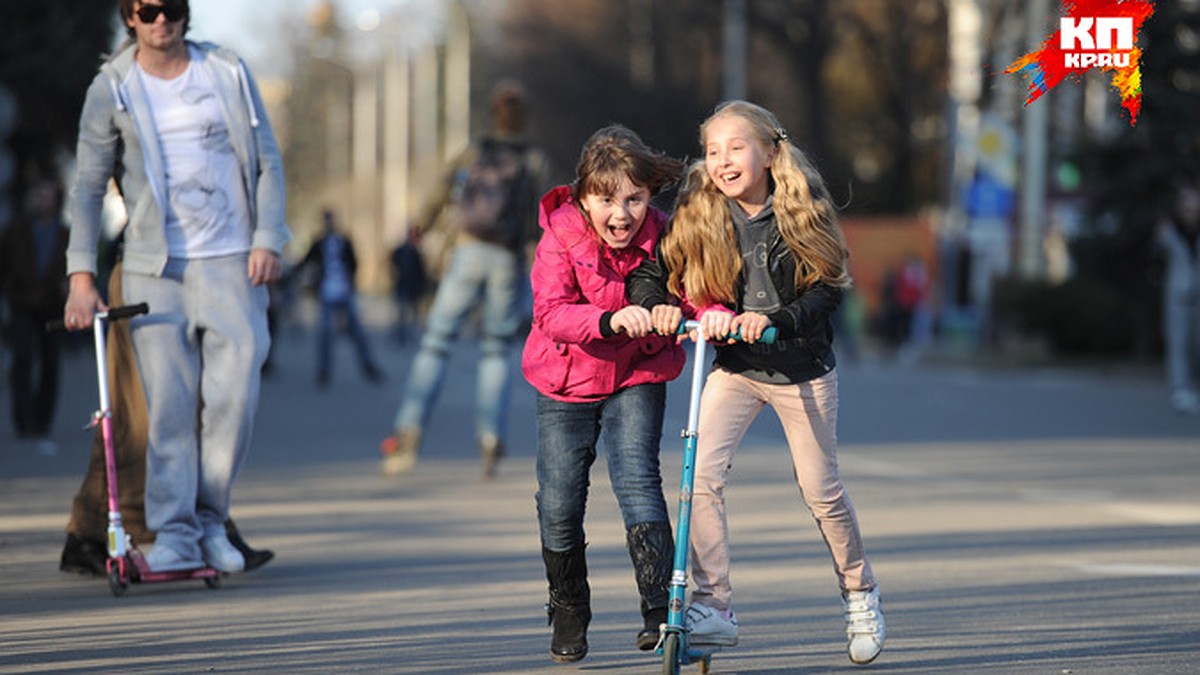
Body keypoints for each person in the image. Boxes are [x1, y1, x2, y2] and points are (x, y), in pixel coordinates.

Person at [627, 100, 886, 665]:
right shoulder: (699, 210)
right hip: (737, 369)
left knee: (822, 492)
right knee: (699, 475)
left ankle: (860, 593)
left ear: (770, 153)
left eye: (735, 148)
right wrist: (660, 306)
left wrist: (774, 320)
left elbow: (826, 289)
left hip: (801, 370)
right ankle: (713, 604)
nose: (722, 162)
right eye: (713, 151)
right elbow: (652, 273)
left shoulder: (801, 210)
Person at [62, 0, 290, 574]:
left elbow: (267, 161)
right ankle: (178, 534)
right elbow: (88, 187)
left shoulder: (228, 72)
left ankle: (213, 522)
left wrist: (269, 237)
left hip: (233, 262)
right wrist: (81, 276)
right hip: (152, 268)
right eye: (148, 9)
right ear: (130, 18)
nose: (162, 19)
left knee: (234, 404)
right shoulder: (111, 86)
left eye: (174, 8)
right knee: (167, 408)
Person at [524, 125, 685, 662]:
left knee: (638, 479)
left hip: (637, 373)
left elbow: (693, 288)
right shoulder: (561, 235)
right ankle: (568, 605)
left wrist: (677, 311)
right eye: (606, 199)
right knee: (559, 501)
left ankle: (660, 611)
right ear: (583, 197)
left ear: (649, 195)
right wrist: (612, 319)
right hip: (567, 378)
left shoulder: (666, 235)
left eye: (634, 199)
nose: (622, 214)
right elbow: (550, 312)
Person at [380, 79, 551, 479]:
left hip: (468, 250)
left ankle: (409, 427)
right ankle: (491, 437)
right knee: (494, 350)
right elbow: (546, 214)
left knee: (437, 342)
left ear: (494, 113)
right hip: (508, 259)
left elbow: (441, 191)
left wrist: (422, 225)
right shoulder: (535, 158)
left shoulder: (476, 150)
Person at [59, 261, 274, 576]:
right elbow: (87, 209)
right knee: (138, 417)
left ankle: (206, 524)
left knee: (198, 407)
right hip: (148, 272)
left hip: (200, 271)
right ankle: (89, 531)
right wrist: (82, 278)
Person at [0, 178, 70, 454]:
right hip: (22, 303)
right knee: (23, 361)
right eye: (39, 195)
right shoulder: (16, 231)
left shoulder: (64, 233)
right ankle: (23, 420)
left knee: (51, 364)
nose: (44, 201)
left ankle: (42, 420)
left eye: (48, 196)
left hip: (53, 307)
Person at [297, 208, 385, 388]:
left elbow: (354, 262)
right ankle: (324, 371)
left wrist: (352, 282)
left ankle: (368, 366)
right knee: (325, 334)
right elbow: (305, 262)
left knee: (358, 333)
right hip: (326, 294)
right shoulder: (318, 242)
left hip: (344, 293)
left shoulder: (344, 240)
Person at [1158, 181, 1200, 414]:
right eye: (1187, 209)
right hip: (1178, 295)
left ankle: (1194, 388)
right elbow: (1156, 247)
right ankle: (1181, 390)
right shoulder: (1170, 233)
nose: (1191, 213)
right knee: (1179, 345)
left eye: (1194, 209)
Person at [388, 230, 427, 345]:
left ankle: (410, 335)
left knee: (413, 313)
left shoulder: (417, 253)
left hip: (413, 287)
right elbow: (392, 263)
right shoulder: (400, 250)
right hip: (402, 285)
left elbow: (421, 272)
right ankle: (401, 335)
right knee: (402, 313)